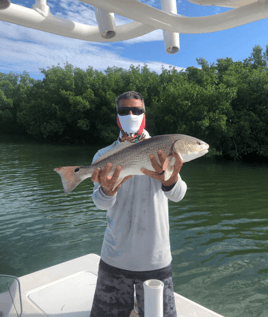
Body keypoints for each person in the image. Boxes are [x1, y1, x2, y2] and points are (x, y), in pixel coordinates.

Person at [90, 91, 187, 317]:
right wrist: (106, 189)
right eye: (124, 111)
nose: (131, 114)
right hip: (114, 256)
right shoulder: (104, 155)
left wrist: (170, 179)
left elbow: (179, 194)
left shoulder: (163, 150)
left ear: (145, 114)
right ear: (117, 116)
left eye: (137, 110)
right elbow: (100, 203)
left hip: (156, 259)